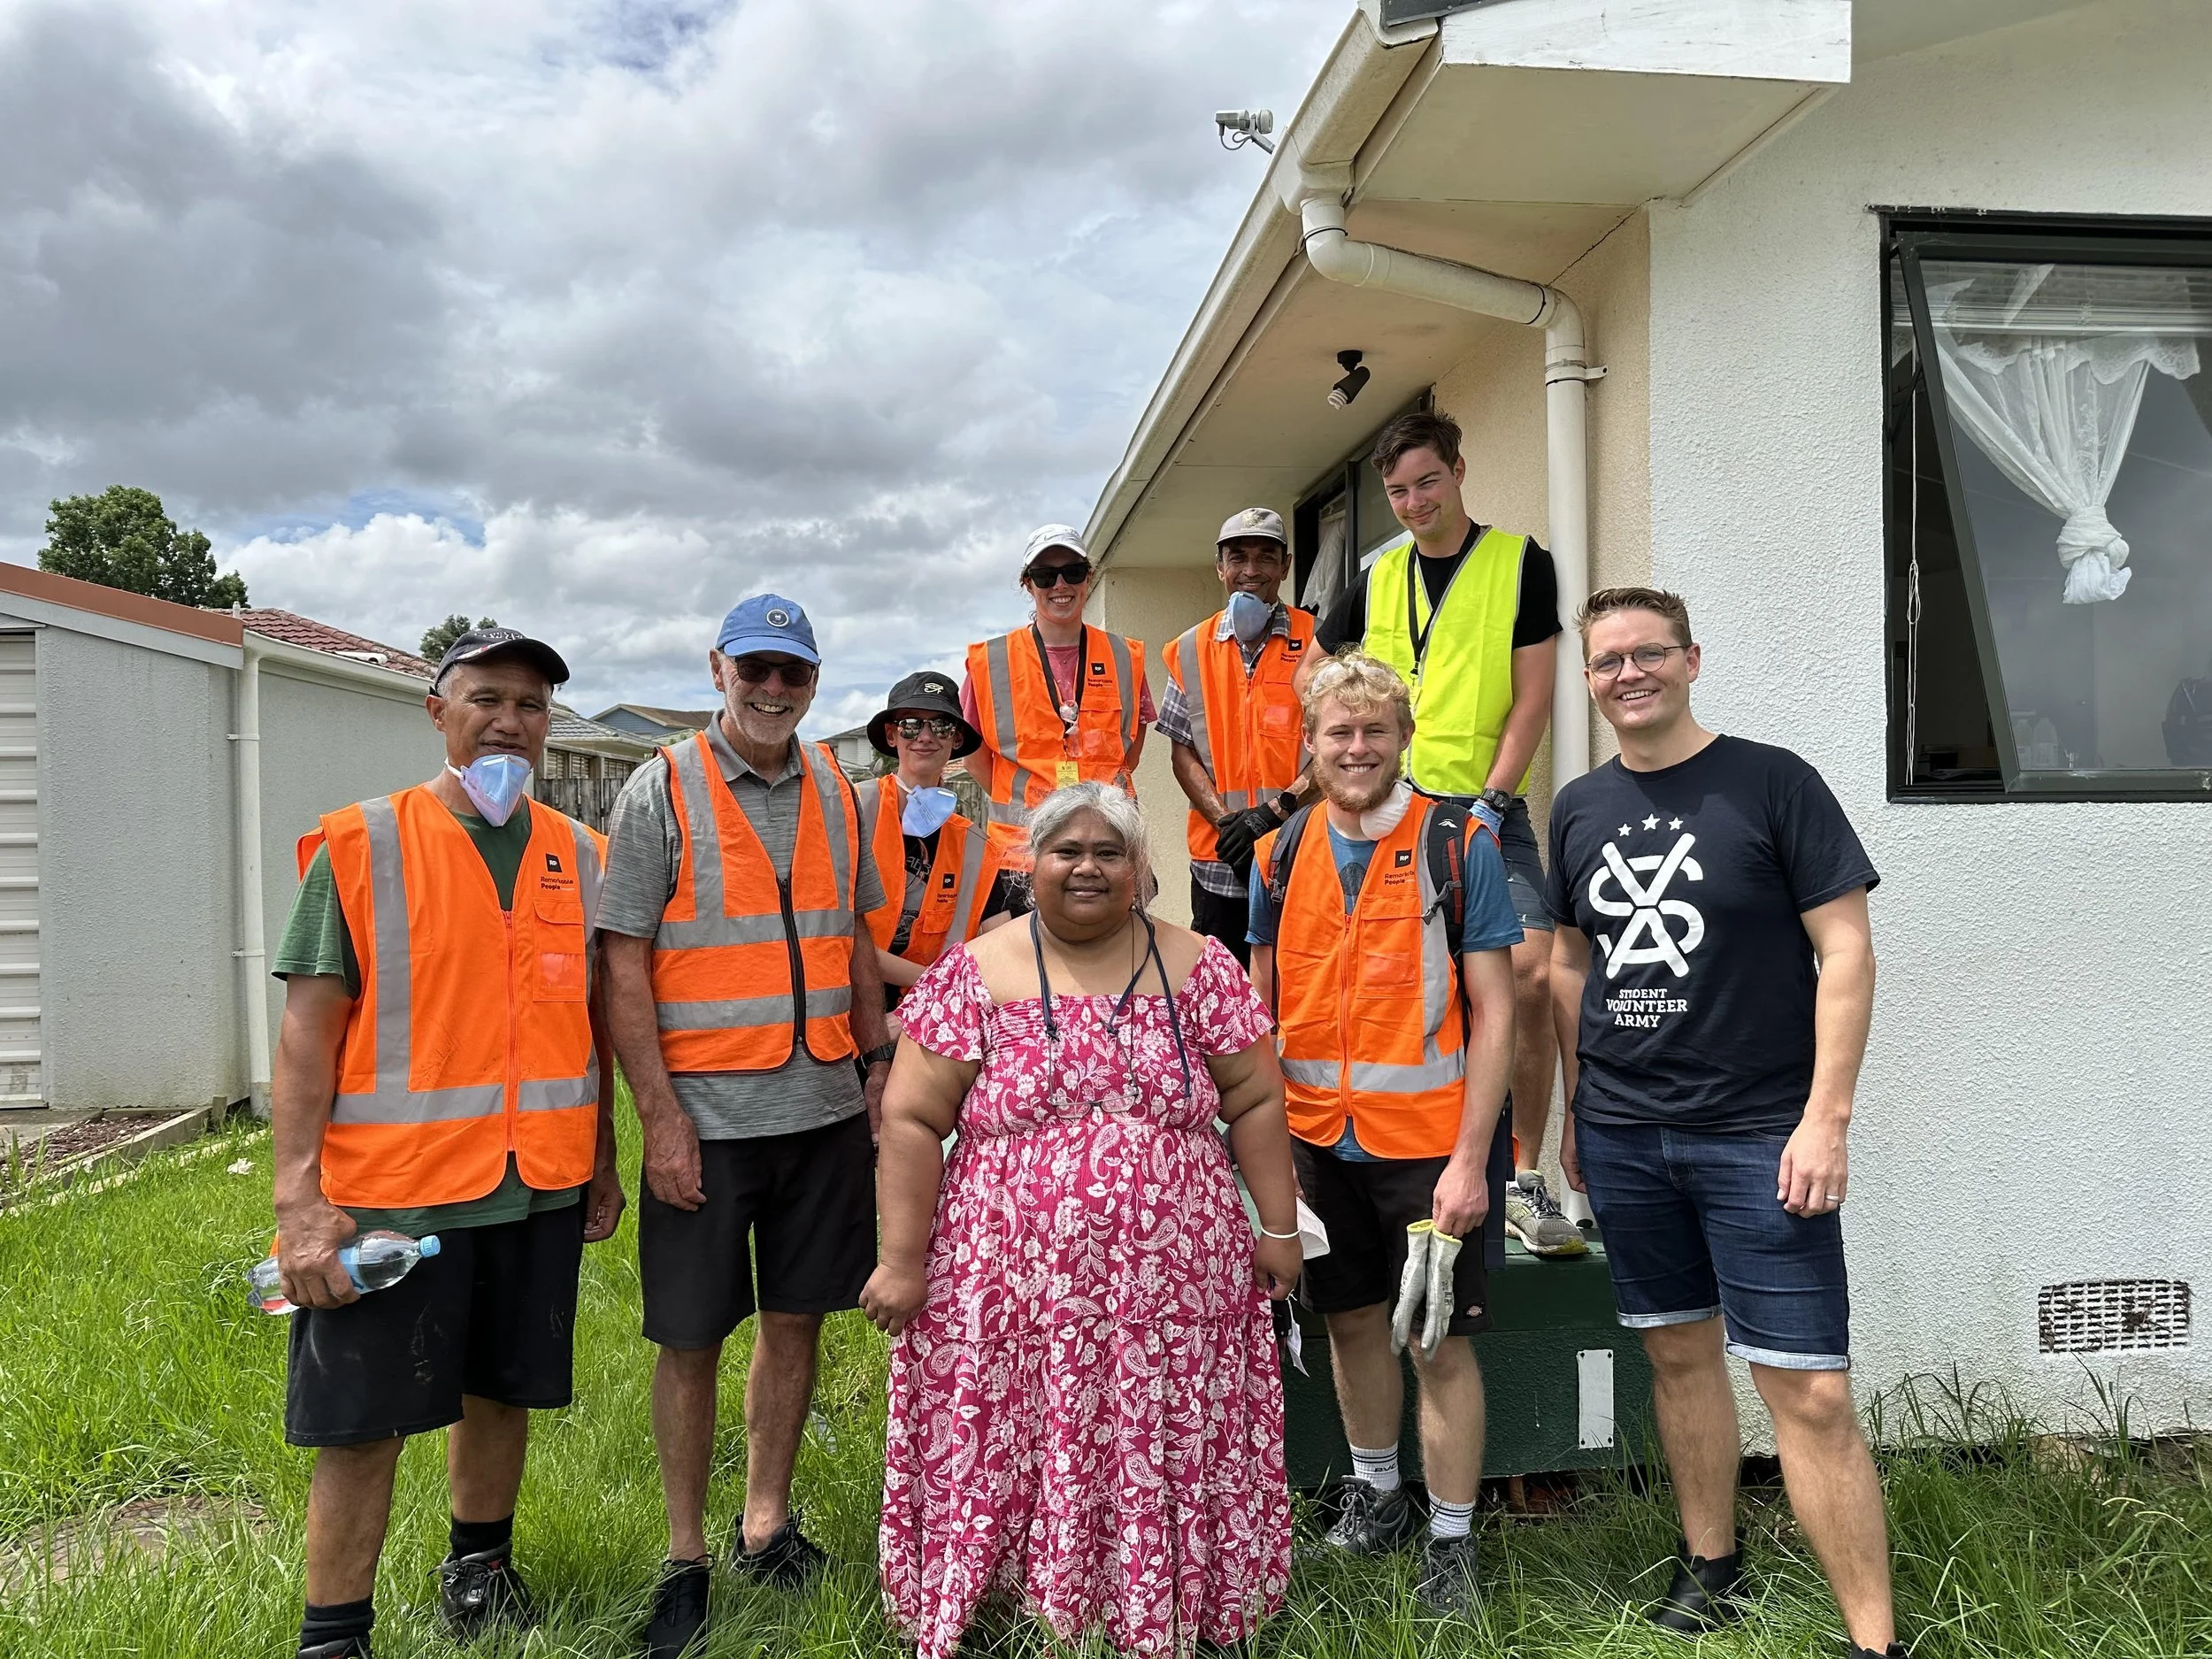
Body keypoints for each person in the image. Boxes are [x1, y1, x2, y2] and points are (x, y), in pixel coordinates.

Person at [864, 782, 1301, 1659]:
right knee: (1025, 1429)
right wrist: (900, 1262)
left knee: (1159, 1428)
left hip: (1173, 1289)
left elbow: (1253, 1095)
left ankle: (1176, 1601)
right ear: (1032, 862)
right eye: (1068, 850)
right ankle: (1020, 1598)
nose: (1088, 868)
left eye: (1110, 852)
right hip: (1009, 1289)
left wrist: (1280, 1229)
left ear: (1140, 869)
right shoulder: (976, 970)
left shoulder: (1200, 967)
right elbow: (911, 1119)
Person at [1547, 588, 1901, 1659]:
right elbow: (1569, 966)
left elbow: (1845, 952)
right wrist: (1575, 1109)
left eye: (1646, 653)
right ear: (1591, 680)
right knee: (1678, 1359)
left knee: (1811, 1388)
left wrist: (1824, 1120)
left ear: (1691, 659)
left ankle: (1874, 1641)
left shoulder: (1773, 781)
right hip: (1623, 1131)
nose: (1627, 674)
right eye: (1606, 661)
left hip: (1760, 1133)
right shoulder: (1575, 808)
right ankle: (1712, 1568)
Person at [268, 626, 625, 1659]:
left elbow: (587, 1027)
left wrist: (602, 1158)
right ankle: (334, 1633)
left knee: (501, 1390)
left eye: (531, 704)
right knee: (360, 1421)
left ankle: (479, 1570)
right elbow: (307, 1032)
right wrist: (300, 1200)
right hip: (395, 1195)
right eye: (486, 699)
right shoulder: (364, 842)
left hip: (536, 1185)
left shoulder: (581, 856)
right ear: (438, 711)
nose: (510, 719)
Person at [596, 595, 896, 1659]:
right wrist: (659, 1119)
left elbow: (854, 939)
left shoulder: (839, 792)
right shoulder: (657, 789)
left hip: (818, 1111)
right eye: (757, 670)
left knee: (797, 1320)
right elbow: (621, 959)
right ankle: (685, 1559)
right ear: (718, 669)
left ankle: (765, 1520)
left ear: (814, 683)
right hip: (708, 1121)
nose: (773, 691)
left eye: (794, 675)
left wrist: (871, 1064)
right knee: (688, 1339)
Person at [1246, 650, 1519, 1617]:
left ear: (1403, 739)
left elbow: (1496, 1012)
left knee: (1435, 1340)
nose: (1355, 749)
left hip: (1426, 1147)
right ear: (1310, 745)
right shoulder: (1277, 855)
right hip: (1316, 1143)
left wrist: (1471, 1162)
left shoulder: (1459, 843)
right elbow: (1258, 1017)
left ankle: (1451, 1540)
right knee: (1351, 1320)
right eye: (1337, 733)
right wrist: (1263, 1154)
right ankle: (1378, 1497)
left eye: (1373, 732)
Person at [1311, 410, 1582, 1258]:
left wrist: (1495, 801)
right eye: (1396, 490)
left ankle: (1523, 1174)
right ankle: (1418, 1156)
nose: (1412, 501)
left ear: (1460, 471)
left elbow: (1534, 697)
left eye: (1427, 481)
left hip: (1485, 812)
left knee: (1530, 976)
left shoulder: (1519, 563)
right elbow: (1313, 670)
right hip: (1392, 816)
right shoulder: (1379, 573)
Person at [1157, 507, 1317, 966]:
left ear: (1285, 566)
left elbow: (1336, 751)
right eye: (1238, 557)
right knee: (1223, 1002)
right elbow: (1182, 752)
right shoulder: (1188, 648)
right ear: (1220, 567)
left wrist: (1273, 814)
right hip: (1219, 865)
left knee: (1299, 995)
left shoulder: (1318, 642)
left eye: (1266, 557)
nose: (1251, 571)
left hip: (1304, 855)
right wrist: (1230, 824)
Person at [962, 525, 1153, 885]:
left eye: (1073, 572)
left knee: (1113, 942)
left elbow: (1132, 749)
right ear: (1028, 584)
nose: (1060, 585)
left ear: (1089, 579)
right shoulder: (991, 661)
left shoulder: (1125, 656)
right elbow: (974, 758)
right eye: (1046, 576)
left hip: (1108, 846)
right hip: (1021, 851)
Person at [856, 670, 1015, 1009]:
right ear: (891, 735)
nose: (925, 737)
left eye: (941, 726)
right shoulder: (851, 811)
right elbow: (832, 932)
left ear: (957, 739)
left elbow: (1000, 942)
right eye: (911, 725)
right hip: (849, 1000)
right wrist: (934, 980)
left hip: (937, 1013)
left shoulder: (977, 846)